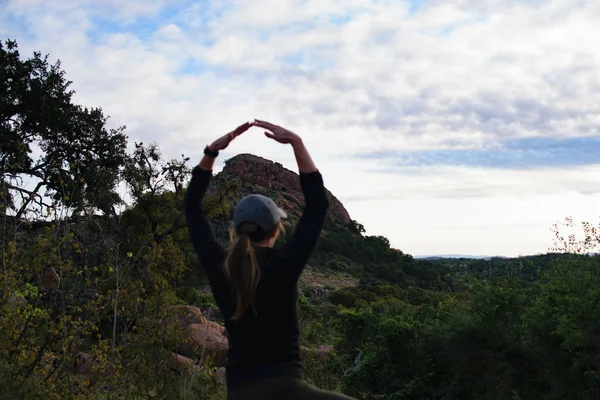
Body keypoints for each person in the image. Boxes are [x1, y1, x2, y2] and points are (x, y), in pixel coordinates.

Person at [184, 120, 355, 399]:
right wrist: (296, 142)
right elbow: (317, 205)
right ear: (276, 230)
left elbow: (192, 207)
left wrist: (211, 152)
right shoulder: (283, 265)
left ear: (235, 230)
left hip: (239, 392)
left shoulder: (221, 266)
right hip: (288, 389)